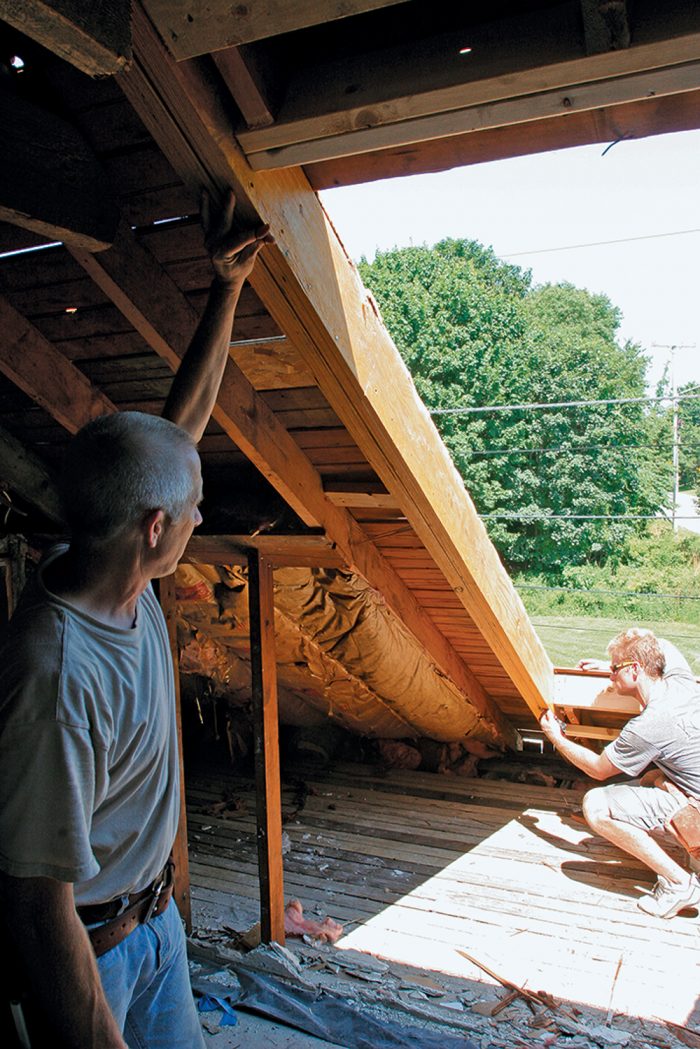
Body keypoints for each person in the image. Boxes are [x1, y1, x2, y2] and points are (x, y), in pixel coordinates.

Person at [0, 190, 273, 1048]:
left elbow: (174, 436)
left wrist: (225, 288)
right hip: (92, 949)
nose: (202, 516)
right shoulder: (55, 673)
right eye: (193, 510)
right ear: (155, 529)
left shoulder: (121, 572)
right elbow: (35, 900)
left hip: (154, 924)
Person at [540, 628, 700, 919]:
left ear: (637, 669)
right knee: (652, 779)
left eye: (615, 669)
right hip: (694, 794)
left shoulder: (649, 725)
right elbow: (660, 641)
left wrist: (556, 737)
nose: (611, 675)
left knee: (597, 806)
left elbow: (599, 769)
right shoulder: (680, 679)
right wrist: (613, 665)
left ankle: (679, 885)